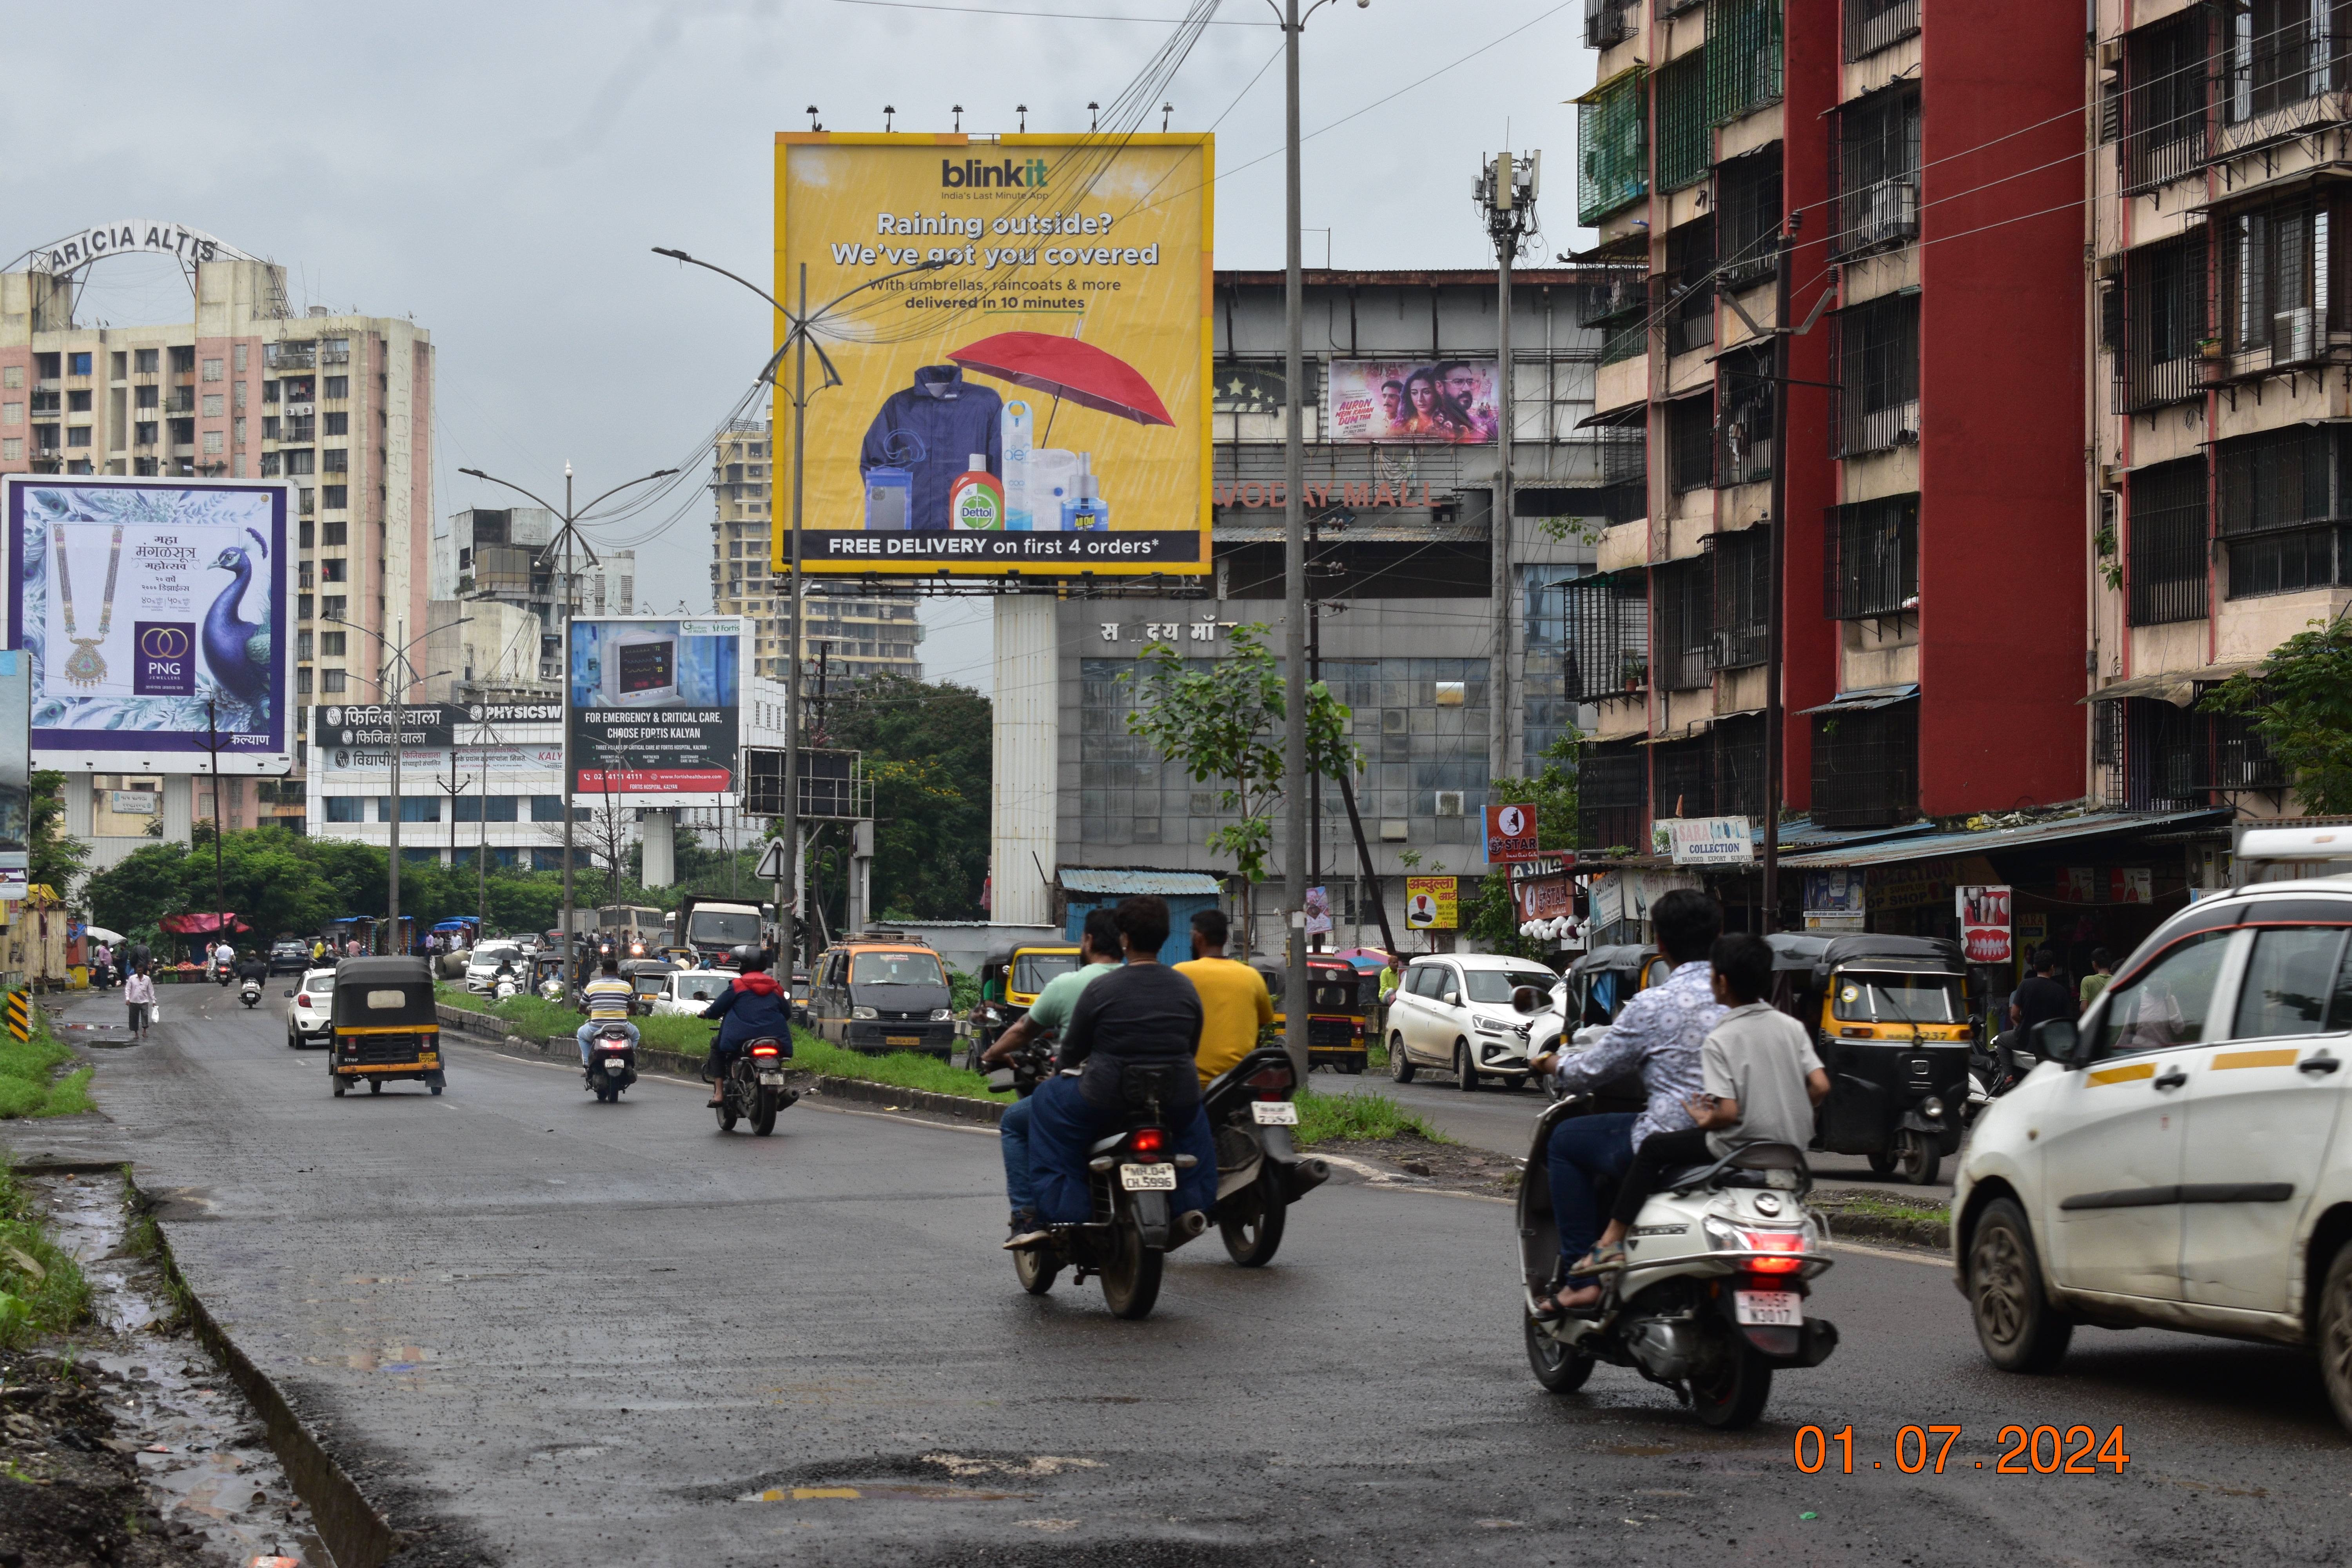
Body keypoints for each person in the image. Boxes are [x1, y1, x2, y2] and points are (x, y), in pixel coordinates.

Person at [1572, 934, 1829, 1274]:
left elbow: (1728, 1113)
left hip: (1737, 1148)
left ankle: (1611, 1242)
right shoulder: (1792, 1027)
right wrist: (1791, 1107)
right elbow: (1821, 1085)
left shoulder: (1722, 1037)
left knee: (1652, 1149)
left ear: (1721, 983)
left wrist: (1703, 1118)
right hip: (1791, 1151)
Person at [1526, 888, 1725, 1315]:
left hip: (1671, 1136)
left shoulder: (1654, 1005)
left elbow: (1593, 1070)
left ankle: (1584, 1278)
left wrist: (1551, 1065)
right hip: (1738, 1138)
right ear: (1718, 937)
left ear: (1663, 944)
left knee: (1564, 1140)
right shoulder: (1744, 1002)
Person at [1024, 897, 1219, 1231]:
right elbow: (1192, 1045)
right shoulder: (1185, 988)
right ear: (1164, 938)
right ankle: (1194, 1206)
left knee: (1046, 1102)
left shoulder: (1102, 989)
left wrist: (1057, 1077)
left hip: (1108, 1095)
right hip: (1176, 1096)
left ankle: (1067, 1215)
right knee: (1196, 1129)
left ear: (1124, 939)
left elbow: (1072, 1054)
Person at [984, 910, 1122, 1249]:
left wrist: (991, 1055)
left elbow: (1022, 1030)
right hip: (1143, 1095)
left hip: (1088, 1093)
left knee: (1016, 1123)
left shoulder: (1069, 984)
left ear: (1088, 941)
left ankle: (1027, 1216)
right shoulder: (1141, 981)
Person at [1175, 908, 1273, 1087]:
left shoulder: (1181, 974)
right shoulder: (1252, 976)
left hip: (1193, 1083)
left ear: (1198, 938)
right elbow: (1265, 1020)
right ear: (1226, 939)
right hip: (1240, 1081)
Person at [699, 945, 795, 1104]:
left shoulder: (738, 986)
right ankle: (777, 1089)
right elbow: (787, 1014)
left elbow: (717, 1010)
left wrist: (707, 1013)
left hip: (740, 1038)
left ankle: (719, 1094)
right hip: (774, 1038)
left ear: (744, 966)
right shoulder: (776, 987)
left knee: (716, 1045)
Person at [2004, 947, 2076, 1084]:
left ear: (2035, 966)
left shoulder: (2025, 985)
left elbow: (2014, 1014)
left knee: (2002, 1041)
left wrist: (2023, 1026)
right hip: (2050, 1043)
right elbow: (2066, 1022)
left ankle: (2009, 1077)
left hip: (2025, 1039)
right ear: (2053, 968)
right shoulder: (2060, 991)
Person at [576, 956, 639, 1069]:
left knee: (581, 1035)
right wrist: (627, 1013)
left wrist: (584, 1012)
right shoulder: (626, 986)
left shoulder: (592, 986)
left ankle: (587, 1064)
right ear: (617, 971)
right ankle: (630, 1059)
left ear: (602, 972)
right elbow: (633, 1008)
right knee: (636, 1035)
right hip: (622, 1027)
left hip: (596, 1028)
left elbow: (582, 1007)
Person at [123, 965, 156, 1039]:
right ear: (136, 971)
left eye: (141, 970)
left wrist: (153, 1000)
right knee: (134, 1018)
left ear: (143, 971)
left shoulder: (147, 979)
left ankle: (144, 1031)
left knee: (145, 1016)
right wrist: (128, 999)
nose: (140, 972)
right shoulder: (132, 979)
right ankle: (136, 1033)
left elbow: (151, 990)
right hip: (133, 1001)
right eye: (138, 970)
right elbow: (128, 989)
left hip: (144, 1001)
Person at [2079, 947, 2115, 1011]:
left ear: (2094, 963)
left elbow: (2084, 1008)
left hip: (2095, 1021)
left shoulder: (2087, 980)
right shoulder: (2117, 980)